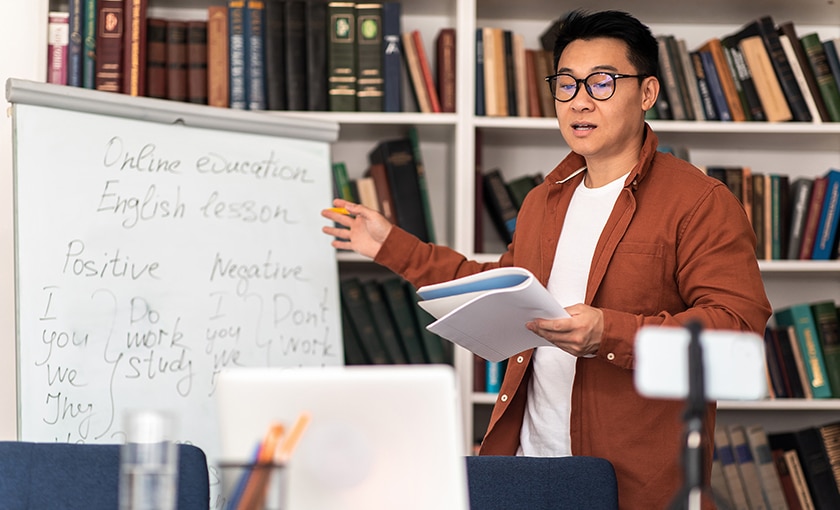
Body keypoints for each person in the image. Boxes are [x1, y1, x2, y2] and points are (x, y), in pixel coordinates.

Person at [322, 9, 771, 509]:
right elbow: (497, 288)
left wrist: (610, 333)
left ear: (647, 93)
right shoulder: (544, 200)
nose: (580, 101)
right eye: (566, 84)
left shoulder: (699, 202)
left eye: (602, 83)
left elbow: (738, 333)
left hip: (635, 487)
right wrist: (390, 245)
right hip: (531, 472)